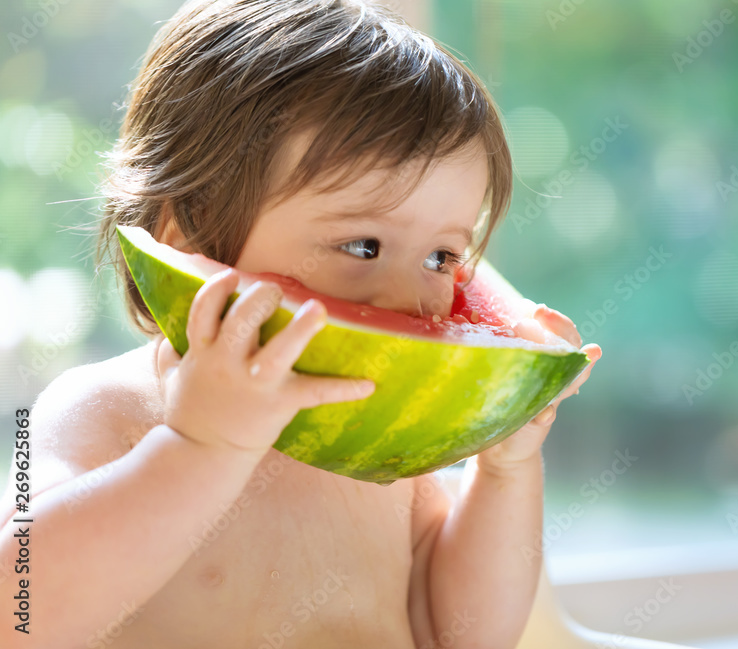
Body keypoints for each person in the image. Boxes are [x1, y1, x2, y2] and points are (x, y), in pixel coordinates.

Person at [0, 1, 601, 647]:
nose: (406, 301)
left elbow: (464, 636)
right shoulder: (100, 408)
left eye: (441, 257)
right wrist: (200, 447)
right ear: (190, 236)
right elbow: (19, 611)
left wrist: (505, 470)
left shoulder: (388, 449)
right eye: (364, 246)